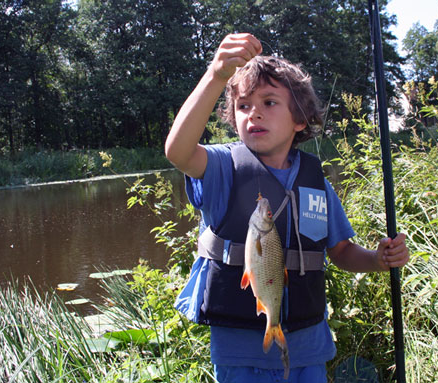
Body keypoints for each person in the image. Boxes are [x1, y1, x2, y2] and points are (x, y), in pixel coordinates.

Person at [165, 33, 410, 383]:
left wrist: (377, 259)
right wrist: (216, 76)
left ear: (299, 120)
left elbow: (340, 251)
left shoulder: (315, 183)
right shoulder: (222, 168)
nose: (254, 114)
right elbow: (177, 152)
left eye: (269, 102)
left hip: (309, 349)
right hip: (239, 351)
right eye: (244, 105)